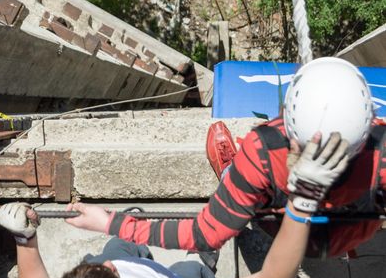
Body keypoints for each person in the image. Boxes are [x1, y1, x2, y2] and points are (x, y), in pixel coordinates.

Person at [71, 57, 385, 259]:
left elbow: (202, 235)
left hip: (285, 234)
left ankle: (230, 176)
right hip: (344, 236)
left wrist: (112, 222)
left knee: (250, 175)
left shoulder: (264, 151)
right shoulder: (381, 153)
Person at [0, 130, 348, 278]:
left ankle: (129, 234)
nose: (108, 266)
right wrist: (305, 197)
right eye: (108, 273)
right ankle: (204, 252)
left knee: (119, 247)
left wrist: (24, 237)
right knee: (190, 269)